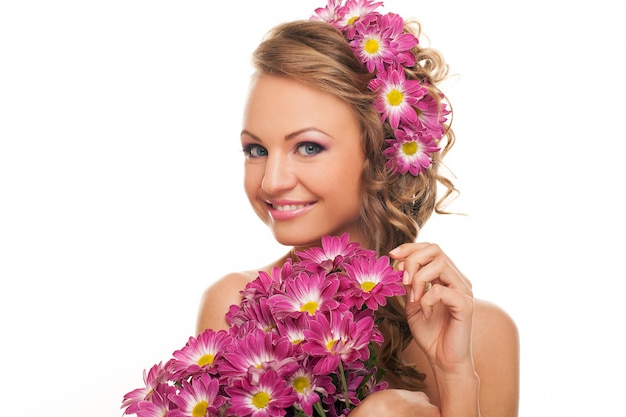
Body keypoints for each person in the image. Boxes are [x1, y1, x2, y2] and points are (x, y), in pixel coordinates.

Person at [196, 1, 519, 416]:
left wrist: (454, 374)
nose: (271, 181)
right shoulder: (237, 306)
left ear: (379, 153)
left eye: (308, 147)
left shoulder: (483, 334)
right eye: (255, 149)